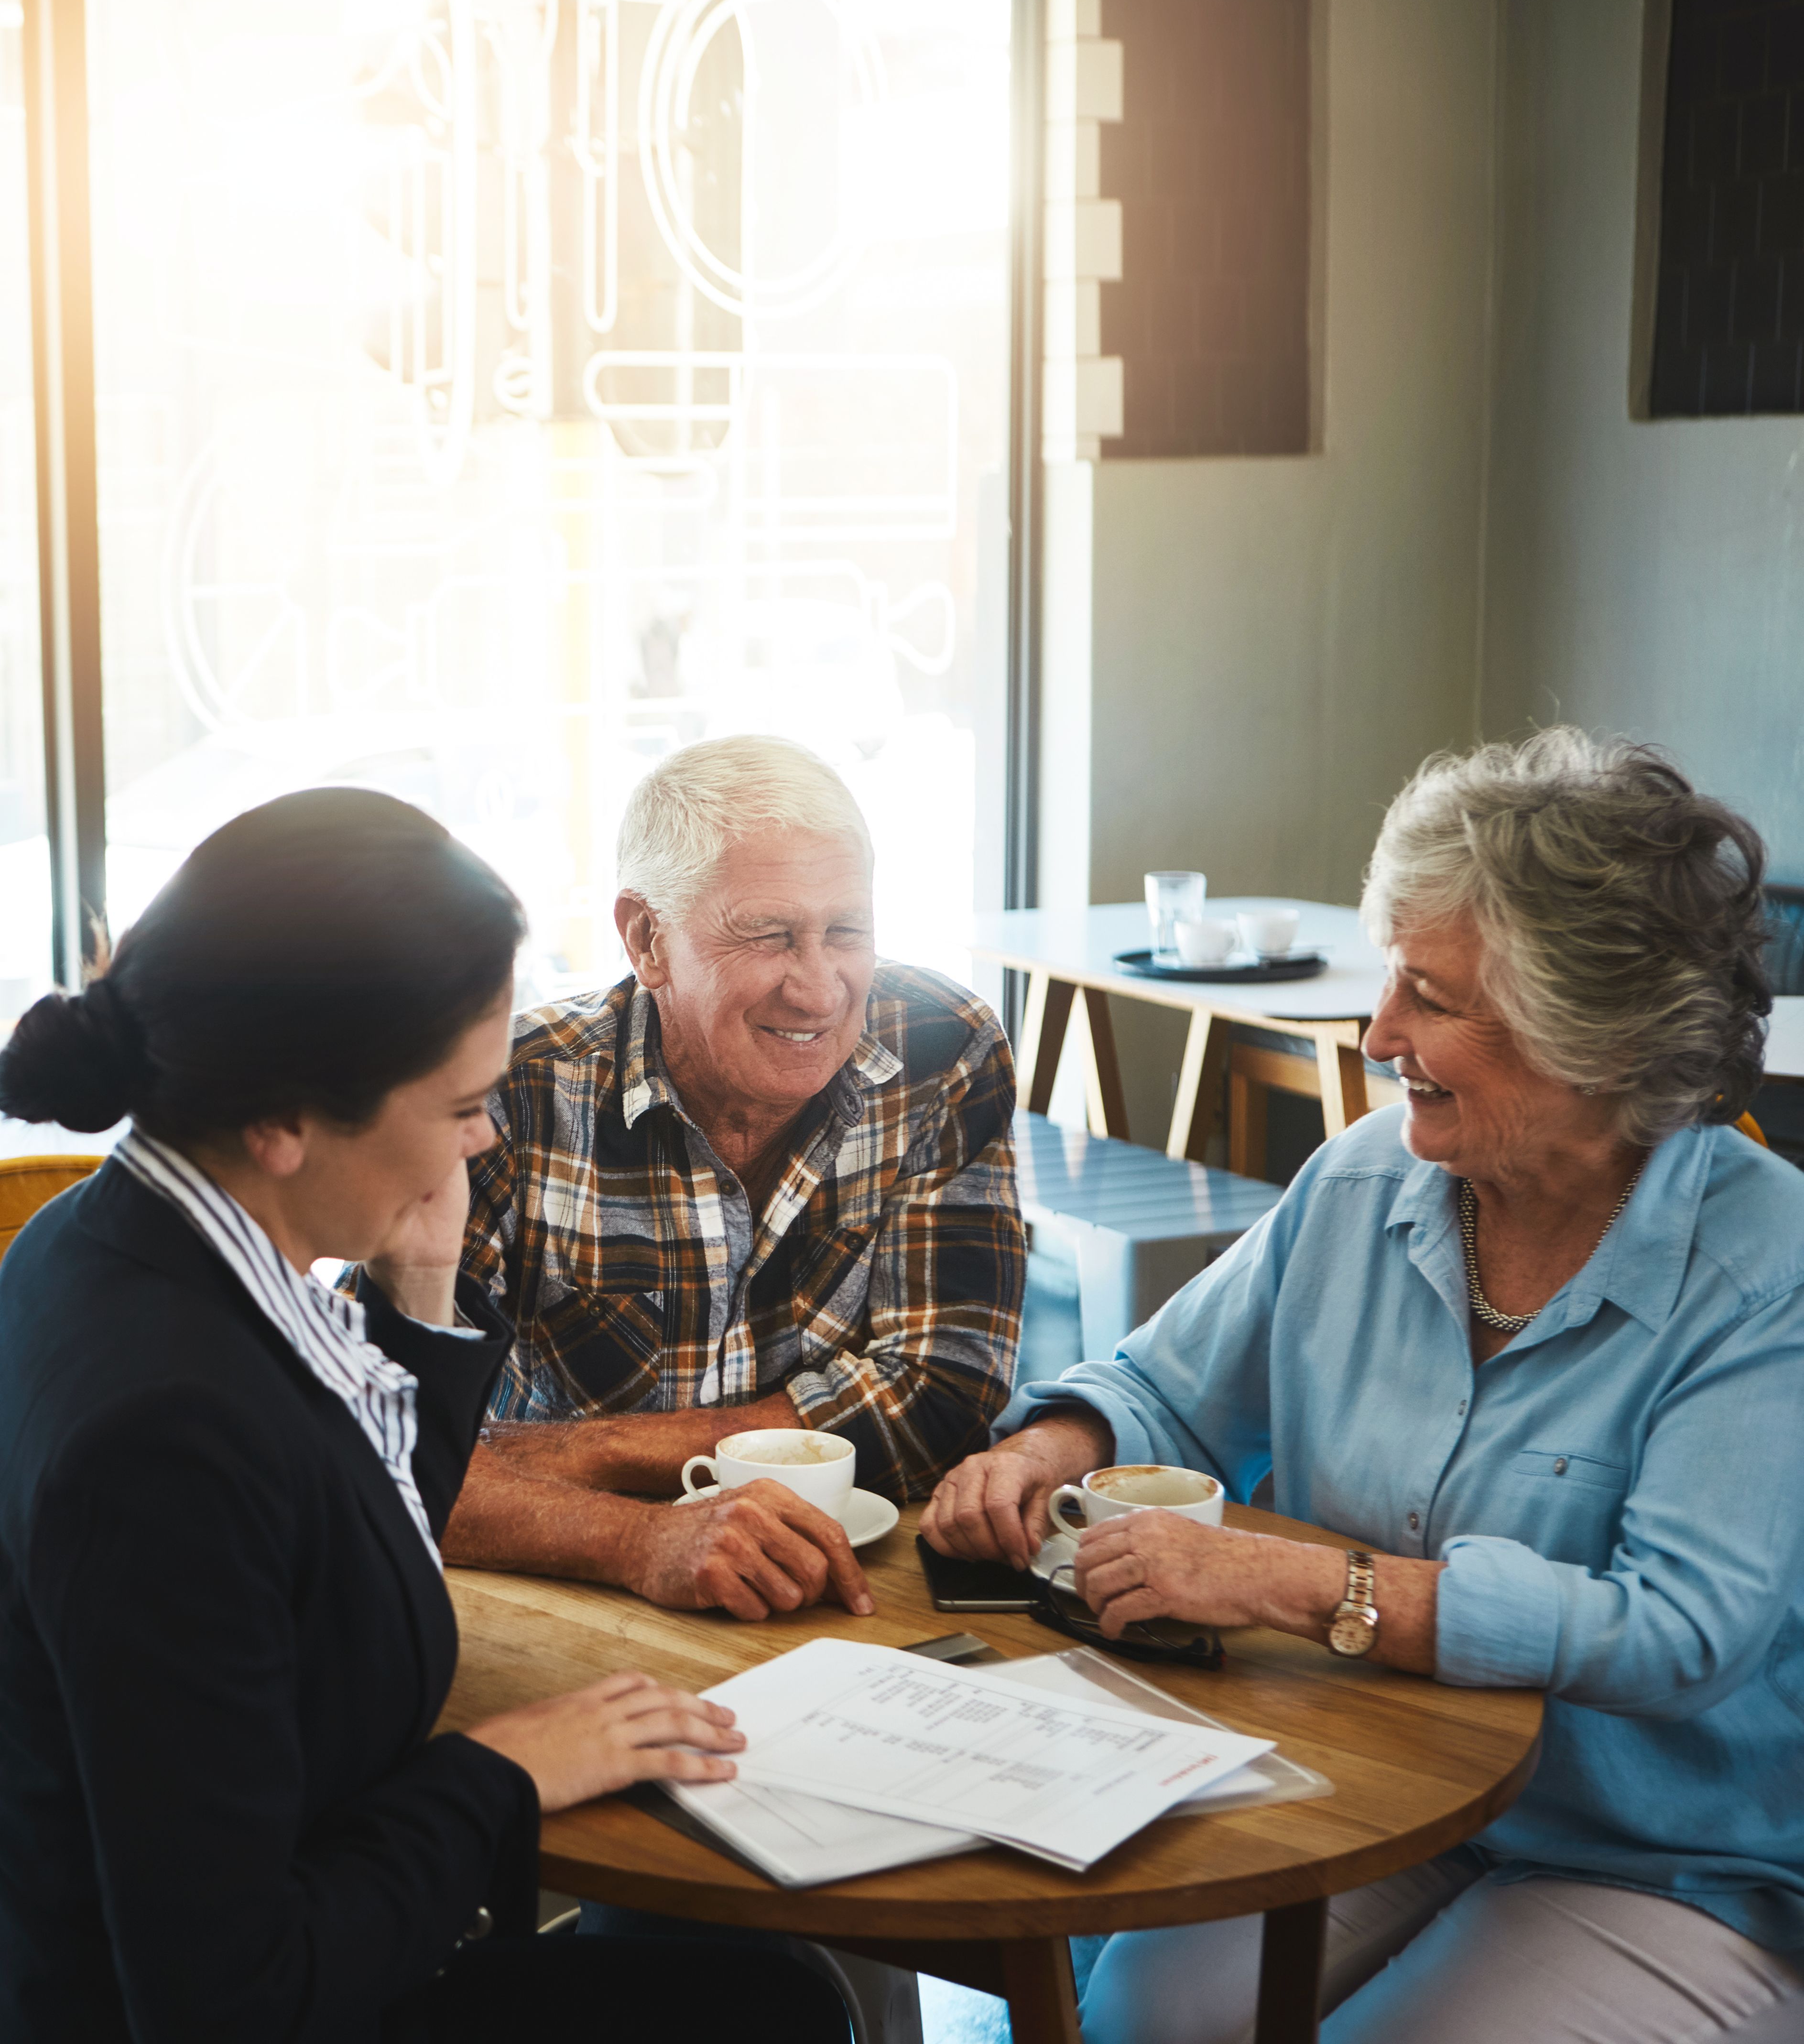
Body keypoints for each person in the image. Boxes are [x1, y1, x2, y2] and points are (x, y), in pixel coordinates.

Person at [923, 728, 1804, 2044]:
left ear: (1591, 1039)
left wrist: (1305, 1587)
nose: (1378, 1031)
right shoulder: (1363, 1179)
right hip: (1379, 1781)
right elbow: (1163, 1387)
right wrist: (1049, 1446)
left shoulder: (1762, 1267)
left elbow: (1679, 1631)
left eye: (1428, 996)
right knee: (1147, 2019)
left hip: (1659, 1856)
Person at [0, 789, 849, 2044]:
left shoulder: (99, 1240)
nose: (486, 1135)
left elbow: (351, 1546)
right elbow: (230, 1995)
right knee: (769, 2014)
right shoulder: (168, 1439)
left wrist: (423, 1294)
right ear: (284, 1121)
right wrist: (503, 1773)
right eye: (459, 1107)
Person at [435, 736, 1026, 1622]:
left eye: (846, 932)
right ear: (647, 939)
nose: (819, 990)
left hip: (849, 1586)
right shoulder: (508, 1092)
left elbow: (945, 1393)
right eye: (768, 936)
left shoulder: (943, 1049)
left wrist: (582, 1452)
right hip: (558, 1585)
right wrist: (638, 1538)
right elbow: (375, 1442)